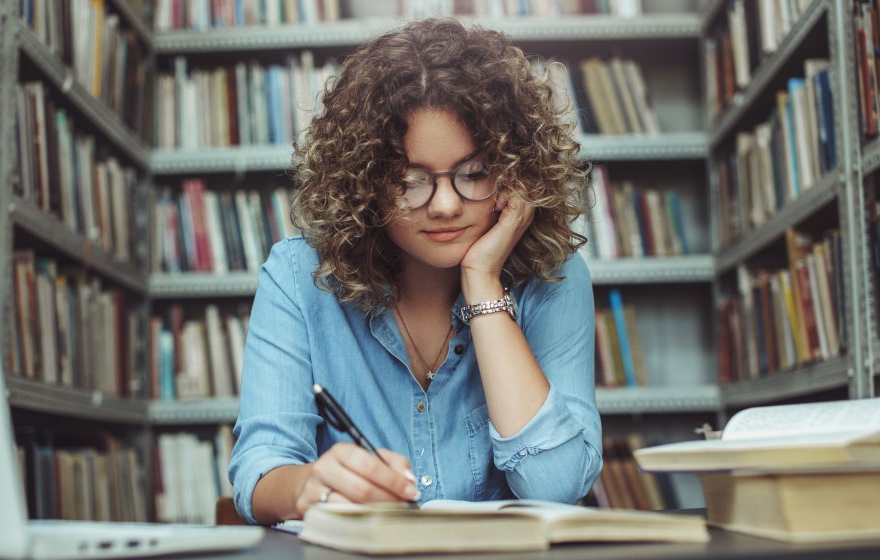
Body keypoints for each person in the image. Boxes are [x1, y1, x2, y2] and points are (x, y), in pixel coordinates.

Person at [229, 17, 602, 526]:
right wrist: (310, 486)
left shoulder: (553, 277)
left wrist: (483, 283)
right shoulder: (298, 277)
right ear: (365, 184)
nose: (446, 205)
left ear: (514, 171)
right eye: (410, 181)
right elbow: (260, 468)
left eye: (473, 175)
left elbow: (555, 488)